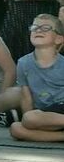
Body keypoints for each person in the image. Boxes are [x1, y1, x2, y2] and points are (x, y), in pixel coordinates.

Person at [8, 15, 64, 145]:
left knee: (29, 118)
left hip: (61, 109)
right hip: (44, 116)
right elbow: (26, 96)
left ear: (58, 39)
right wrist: (29, 123)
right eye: (35, 27)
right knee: (16, 128)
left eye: (46, 28)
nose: (39, 30)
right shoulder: (23, 63)